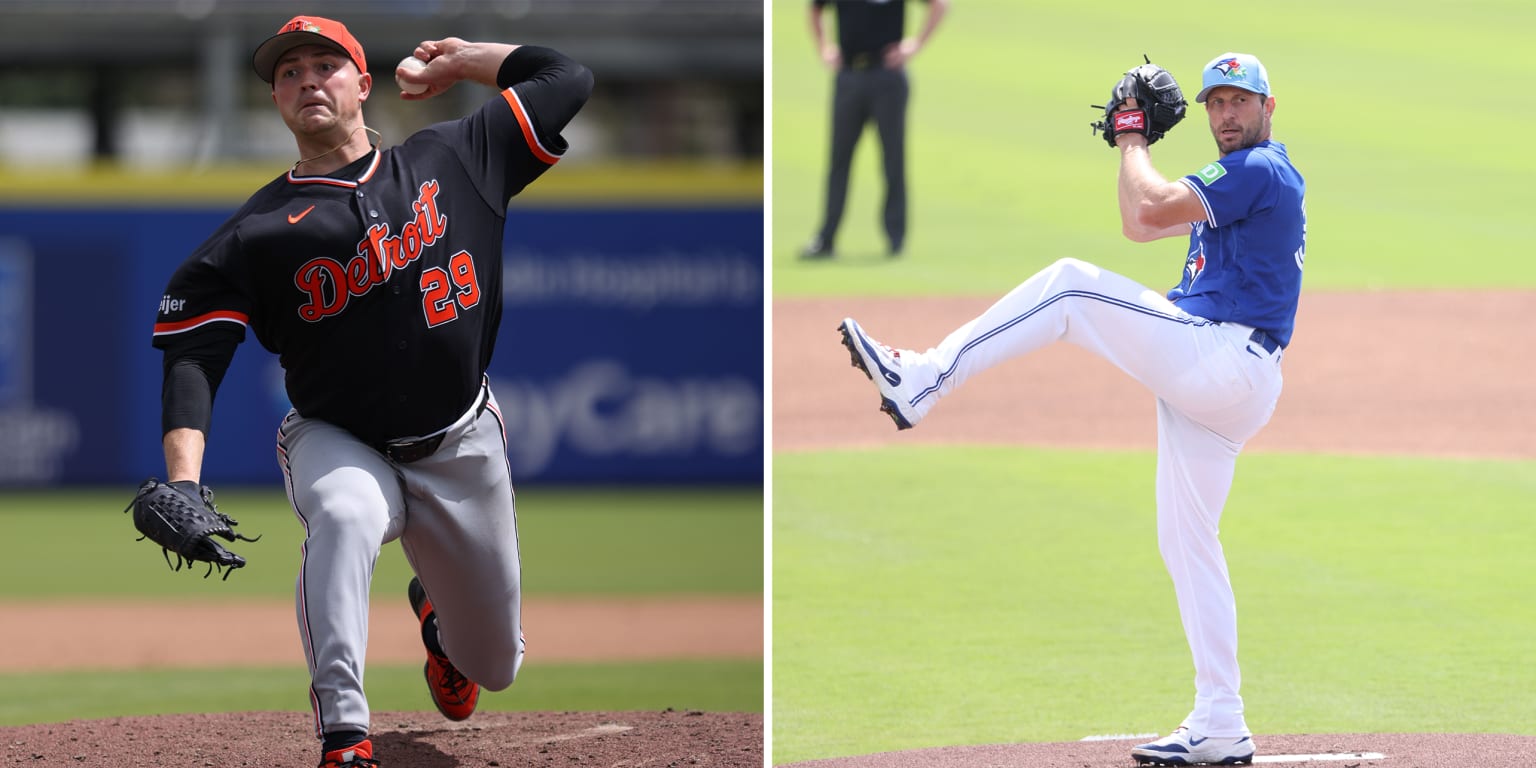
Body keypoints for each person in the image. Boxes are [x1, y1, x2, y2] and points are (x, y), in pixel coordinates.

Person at [147, 15, 591, 768]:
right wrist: (183, 479)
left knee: (496, 665)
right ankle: (345, 736)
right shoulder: (255, 234)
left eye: (325, 64)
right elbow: (192, 357)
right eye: (288, 73)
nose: (306, 80)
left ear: (363, 84)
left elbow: (565, 79)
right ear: (278, 102)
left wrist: (464, 63)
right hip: (337, 436)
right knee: (346, 515)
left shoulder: (457, 154)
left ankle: (439, 626)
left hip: (460, 440)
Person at [838, 52, 1302, 766]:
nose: (1226, 114)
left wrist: (1131, 136)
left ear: (1270, 108)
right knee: (1188, 545)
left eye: (1240, 101)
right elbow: (1139, 227)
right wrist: (1131, 143)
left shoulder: (1261, 171)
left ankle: (923, 379)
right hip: (1227, 379)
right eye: (1216, 102)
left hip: (1223, 359)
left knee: (1067, 287)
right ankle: (1221, 720)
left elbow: (1147, 205)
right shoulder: (1238, 183)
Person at [800, 0, 950, 260]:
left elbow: (940, 5)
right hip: (848, 74)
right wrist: (823, 47)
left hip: (887, 76)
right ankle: (826, 238)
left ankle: (895, 240)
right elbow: (815, 9)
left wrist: (913, 45)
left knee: (892, 160)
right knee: (839, 160)